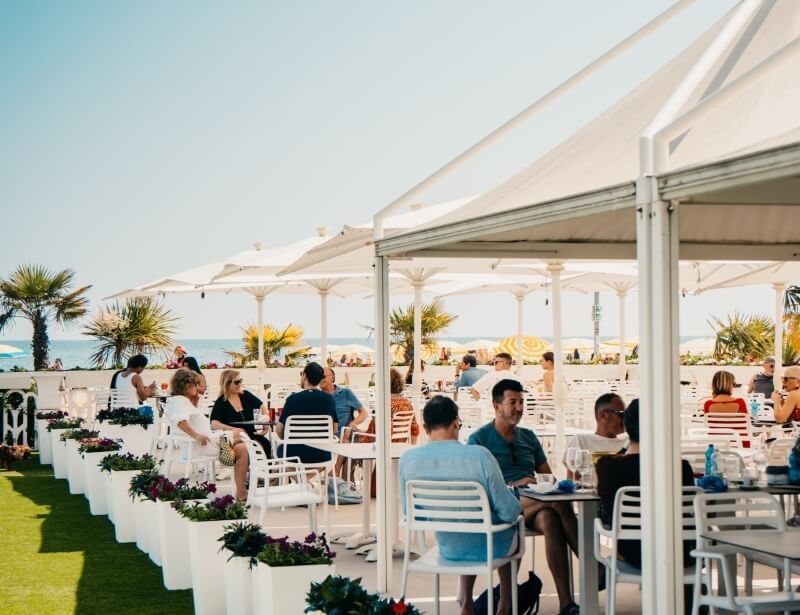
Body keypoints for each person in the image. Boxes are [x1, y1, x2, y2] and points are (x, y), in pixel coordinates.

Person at [399, 395, 521, 615]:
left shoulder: (408, 460)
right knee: (515, 528)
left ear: (425, 427)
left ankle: (466, 603)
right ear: (456, 422)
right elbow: (509, 512)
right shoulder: (479, 456)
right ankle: (504, 606)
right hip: (492, 549)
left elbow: (410, 513)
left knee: (469, 525)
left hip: (448, 548)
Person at [468, 379, 579, 615]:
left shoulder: (528, 437)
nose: (519, 408)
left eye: (521, 402)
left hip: (532, 504)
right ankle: (590, 562)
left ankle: (566, 604)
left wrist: (540, 484)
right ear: (496, 406)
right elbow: (476, 486)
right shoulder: (479, 440)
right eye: (512, 402)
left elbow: (547, 477)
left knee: (550, 516)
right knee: (554, 502)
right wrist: (513, 483)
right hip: (499, 506)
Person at [595, 400, 696, 614]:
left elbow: (604, 508)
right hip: (679, 552)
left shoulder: (608, 468)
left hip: (633, 551)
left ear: (626, 426)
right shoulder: (681, 468)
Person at [165, 368, 249, 501]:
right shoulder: (179, 401)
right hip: (204, 446)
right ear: (187, 386)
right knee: (242, 432)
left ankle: (241, 493)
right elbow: (179, 420)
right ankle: (232, 463)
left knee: (242, 449)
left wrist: (194, 404)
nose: (198, 388)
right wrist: (196, 435)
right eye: (195, 385)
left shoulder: (180, 400)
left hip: (209, 443)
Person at [275, 362, 338, 465]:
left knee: (278, 449)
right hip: (322, 455)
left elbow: (278, 430)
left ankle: (300, 479)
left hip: (293, 456)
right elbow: (334, 429)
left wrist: (287, 438)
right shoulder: (329, 399)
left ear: (304, 376)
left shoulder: (292, 399)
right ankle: (306, 479)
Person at [563, 393, 627, 480]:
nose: (625, 418)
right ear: (603, 415)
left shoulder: (629, 443)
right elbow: (572, 481)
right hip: (588, 493)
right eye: (621, 414)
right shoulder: (581, 440)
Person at [320, 366, 370, 477]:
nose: (320, 379)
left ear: (332, 378)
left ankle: (336, 470)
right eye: (318, 376)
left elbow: (364, 413)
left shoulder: (345, 393)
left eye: (323, 376)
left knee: (348, 434)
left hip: (343, 435)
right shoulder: (318, 396)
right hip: (323, 436)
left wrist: (353, 424)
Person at [210, 370, 271, 455]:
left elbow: (263, 408)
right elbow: (214, 424)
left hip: (251, 435)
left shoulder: (245, 395)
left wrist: (265, 424)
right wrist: (234, 429)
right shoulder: (221, 401)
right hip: (236, 437)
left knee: (266, 444)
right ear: (227, 384)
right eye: (236, 382)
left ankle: (262, 468)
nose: (240, 384)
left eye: (240, 381)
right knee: (244, 449)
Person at [360, 368, 420, 444]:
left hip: (378, 446)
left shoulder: (385, 403)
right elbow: (414, 429)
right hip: (399, 444)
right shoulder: (407, 403)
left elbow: (381, 433)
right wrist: (412, 448)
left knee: (348, 433)